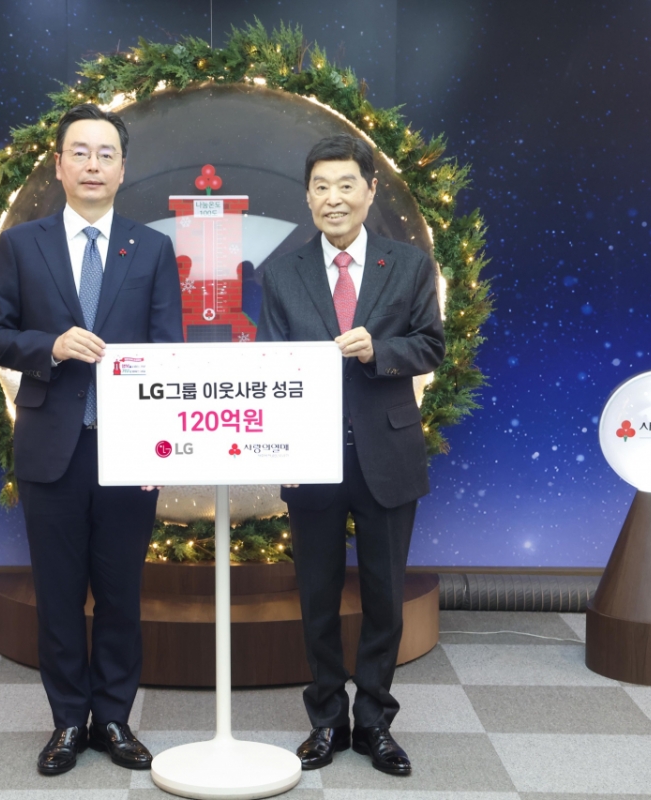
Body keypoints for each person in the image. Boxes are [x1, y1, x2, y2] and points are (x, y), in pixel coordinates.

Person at [0, 103, 182, 776]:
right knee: (59, 594)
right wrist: (50, 345)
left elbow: (168, 353)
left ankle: (114, 718)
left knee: (120, 592)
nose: (93, 165)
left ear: (123, 169)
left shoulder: (151, 248)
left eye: (106, 154)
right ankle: (68, 721)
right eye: (81, 153)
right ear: (59, 165)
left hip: (128, 450)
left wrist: (157, 447)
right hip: (51, 446)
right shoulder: (21, 245)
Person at [257, 134, 445, 777]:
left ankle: (375, 722)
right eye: (320, 187)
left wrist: (379, 351)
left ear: (370, 190)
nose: (333, 198)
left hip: (387, 452)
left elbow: (430, 346)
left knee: (384, 598)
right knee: (316, 595)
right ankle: (325, 720)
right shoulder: (281, 273)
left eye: (345, 185)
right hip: (310, 454)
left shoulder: (409, 264)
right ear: (308, 197)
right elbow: (273, 364)